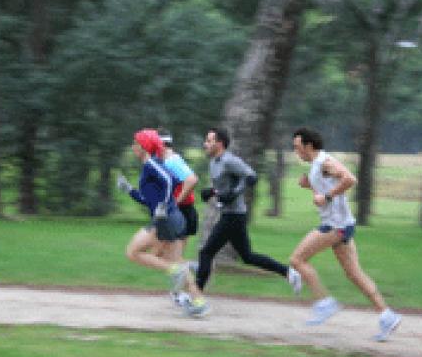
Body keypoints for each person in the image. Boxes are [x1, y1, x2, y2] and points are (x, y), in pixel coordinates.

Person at [290, 127, 401, 341]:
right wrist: (311, 187)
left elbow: (350, 179)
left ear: (308, 145)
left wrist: (327, 196)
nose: (296, 151)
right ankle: (387, 316)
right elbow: (324, 193)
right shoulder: (317, 165)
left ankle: (324, 303)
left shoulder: (324, 162)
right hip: (343, 224)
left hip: (335, 226)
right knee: (354, 274)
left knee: (297, 259)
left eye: (297, 147)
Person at [194, 127, 302, 295]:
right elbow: (224, 188)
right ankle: (289, 273)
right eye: (206, 140)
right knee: (247, 256)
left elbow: (251, 176)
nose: (205, 144)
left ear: (220, 143)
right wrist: (212, 192)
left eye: (209, 140)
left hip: (233, 216)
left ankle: (195, 296)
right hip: (231, 215)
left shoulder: (230, 160)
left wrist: (234, 194)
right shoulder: (214, 162)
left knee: (206, 252)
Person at [117, 128, 208, 316]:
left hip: (164, 220)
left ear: (143, 147)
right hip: (172, 218)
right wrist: (129, 190)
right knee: (175, 261)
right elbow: (148, 199)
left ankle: (176, 269)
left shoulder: (151, 164)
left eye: (136, 143)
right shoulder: (152, 164)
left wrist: (163, 206)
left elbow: (168, 181)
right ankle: (199, 302)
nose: (133, 146)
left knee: (133, 252)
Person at [158, 131, 200, 307]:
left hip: (181, 212)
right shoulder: (172, 159)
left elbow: (192, 180)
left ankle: (185, 288)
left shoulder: (171, 161)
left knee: (167, 256)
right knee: (167, 255)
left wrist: (175, 201)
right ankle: (180, 289)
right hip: (185, 212)